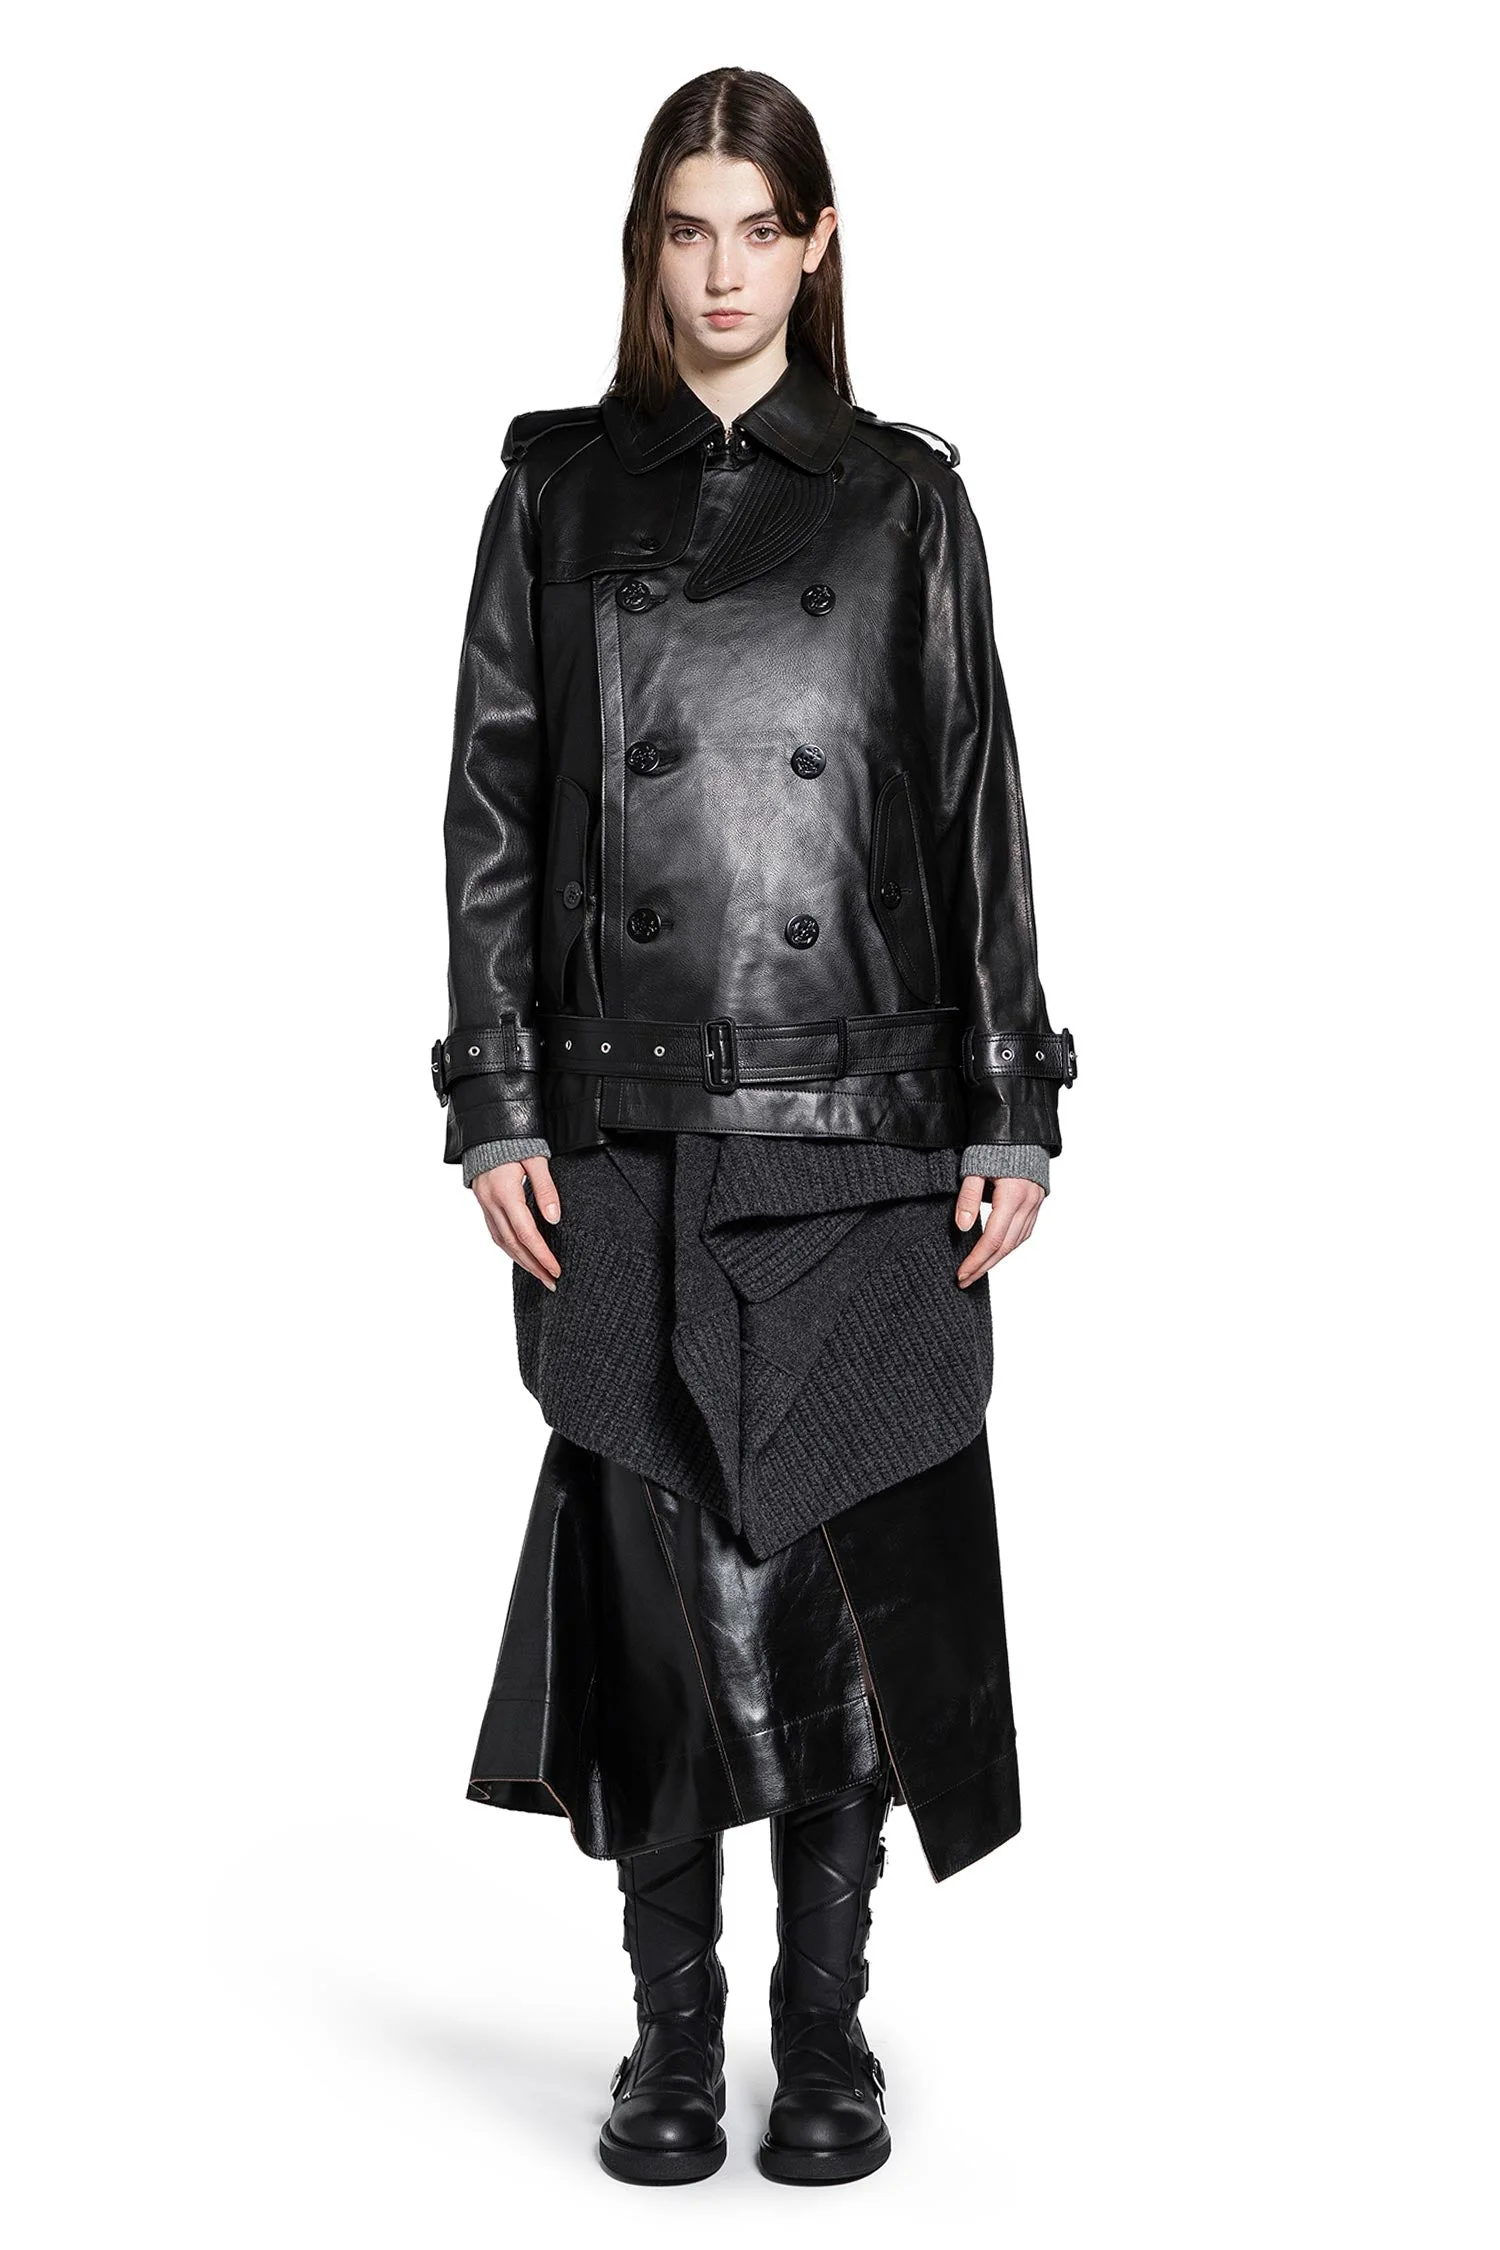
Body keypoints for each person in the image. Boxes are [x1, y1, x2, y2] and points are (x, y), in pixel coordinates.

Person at [432, 65, 1076, 2187]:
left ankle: (825, 2030)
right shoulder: (555, 496)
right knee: (653, 1573)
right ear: (650, 247)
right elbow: (495, 813)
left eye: (756, 229)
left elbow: (973, 807)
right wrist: (496, 1096)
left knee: (835, 1574)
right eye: (684, 229)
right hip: (618, 1113)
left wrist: (1010, 1105)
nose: (719, 272)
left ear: (816, 245)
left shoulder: (903, 505)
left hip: (860, 1105)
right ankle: (670, 2035)